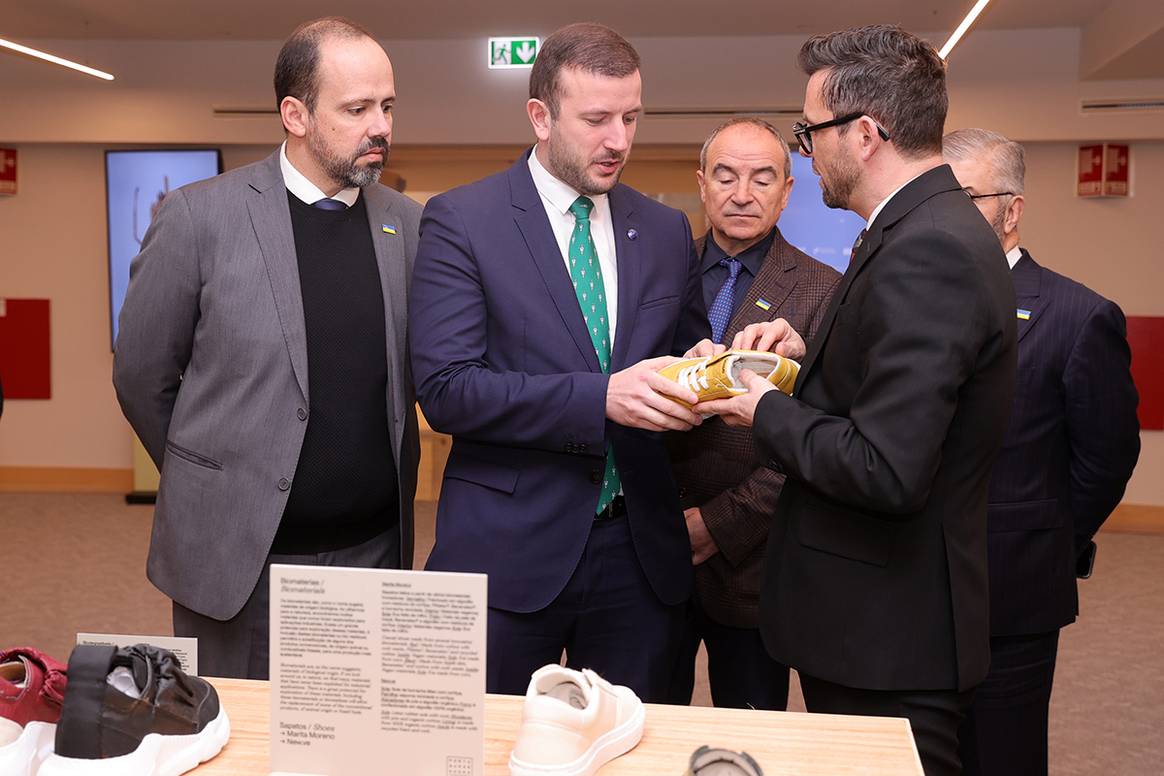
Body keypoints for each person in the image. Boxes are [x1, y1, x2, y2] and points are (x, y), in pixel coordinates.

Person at [698, 25, 1017, 774]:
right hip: (877, 625)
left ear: (865, 134)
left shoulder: (927, 247)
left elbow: (886, 466)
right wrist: (804, 362)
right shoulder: (916, 229)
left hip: (891, 637)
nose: (807, 155)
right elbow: (900, 391)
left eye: (809, 134)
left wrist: (761, 406)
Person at [409, 22, 709, 702]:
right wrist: (597, 397)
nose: (620, 140)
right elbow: (448, 390)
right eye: (598, 119)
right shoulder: (464, 221)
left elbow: (675, 362)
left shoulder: (663, 231)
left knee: (634, 747)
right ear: (540, 117)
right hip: (508, 556)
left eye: (632, 117)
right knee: (494, 749)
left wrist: (711, 367)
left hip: (639, 559)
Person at [113, 17, 421, 679]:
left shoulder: (410, 226)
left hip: (372, 558)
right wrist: (213, 481)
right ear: (296, 114)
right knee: (238, 745)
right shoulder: (199, 218)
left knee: (352, 749)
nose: (381, 127)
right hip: (239, 563)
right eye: (357, 108)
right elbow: (142, 374)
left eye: (388, 107)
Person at [943, 128, 1141, 776]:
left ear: (1012, 209)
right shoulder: (907, 308)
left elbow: (1106, 459)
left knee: (1002, 759)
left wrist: (1045, 537)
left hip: (1014, 593)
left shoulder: (1078, 316)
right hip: (909, 592)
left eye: (965, 196)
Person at [667, 118, 840, 710]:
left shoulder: (826, 293)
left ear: (788, 191)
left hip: (756, 561)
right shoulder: (655, 275)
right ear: (702, 184)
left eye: (762, 179)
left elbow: (821, 435)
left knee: (749, 734)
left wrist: (718, 524)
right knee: (639, 723)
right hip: (649, 552)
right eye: (726, 176)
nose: (743, 194)